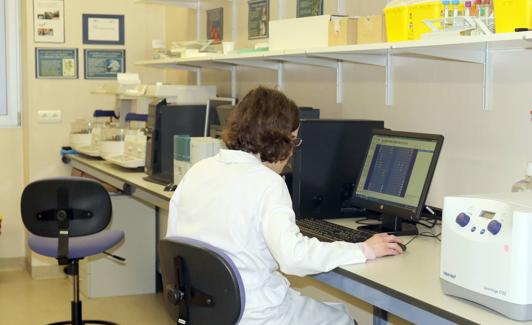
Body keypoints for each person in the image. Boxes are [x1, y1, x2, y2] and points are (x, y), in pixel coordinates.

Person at [166, 86, 404, 325]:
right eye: (294, 140)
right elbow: (293, 257)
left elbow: (175, 242)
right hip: (257, 315)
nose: (292, 153)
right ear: (279, 140)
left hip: (206, 311)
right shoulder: (267, 182)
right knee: (342, 319)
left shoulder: (199, 170)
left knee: (326, 308)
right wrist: (363, 249)